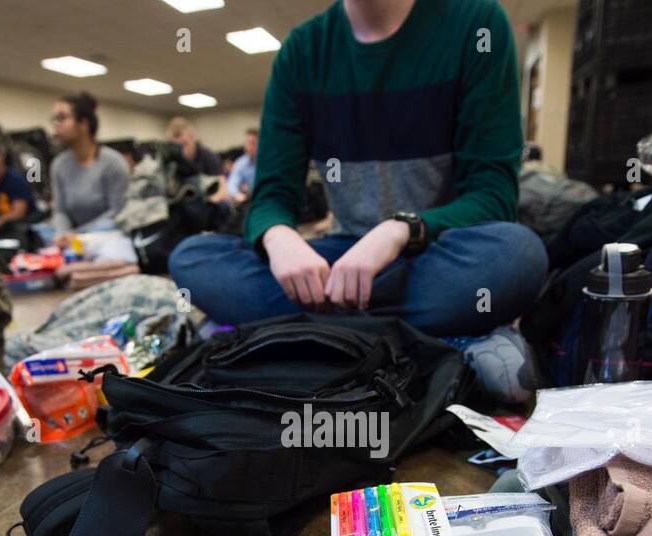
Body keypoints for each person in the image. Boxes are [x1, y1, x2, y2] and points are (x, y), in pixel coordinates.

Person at [169, 0, 547, 340]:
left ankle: (315, 332)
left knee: (517, 256)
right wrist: (279, 237)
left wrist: (401, 229)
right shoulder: (302, 51)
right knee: (193, 257)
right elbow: (271, 196)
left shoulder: (477, 24)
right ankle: (424, 337)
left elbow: (492, 197)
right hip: (342, 260)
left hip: (432, 254)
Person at [48, 91, 129, 247]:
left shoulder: (113, 163)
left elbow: (118, 213)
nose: (56, 124)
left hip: (109, 239)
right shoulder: (59, 165)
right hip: (73, 241)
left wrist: (78, 235)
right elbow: (60, 210)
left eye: (62, 118)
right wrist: (62, 234)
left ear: (83, 124)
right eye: (54, 119)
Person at [226, 127, 258, 203]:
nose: (249, 147)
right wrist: (236, 194)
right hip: (248, 200)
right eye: (247, 143)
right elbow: (232, 183)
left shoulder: (268, 162)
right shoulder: (240, 163)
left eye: (253, 143)